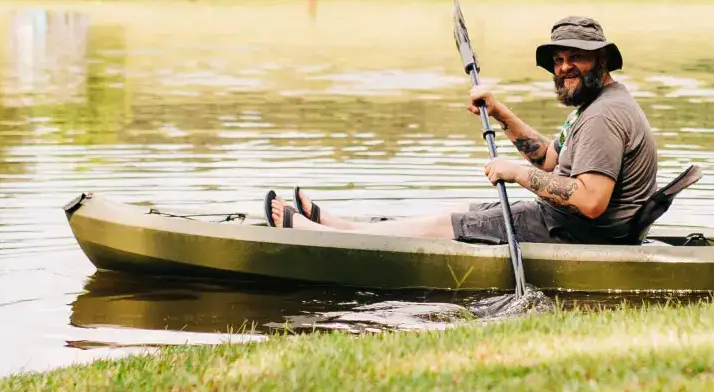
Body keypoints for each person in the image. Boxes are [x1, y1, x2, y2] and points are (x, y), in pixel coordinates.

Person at [265, 15, 658, 243]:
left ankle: (332, 239)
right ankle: (339, 227)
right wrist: (500, 113)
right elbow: (551, 160)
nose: (564, 67)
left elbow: (591, 201)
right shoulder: (596, 104)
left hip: (578, 233)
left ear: (602, 60)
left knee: (448, 225)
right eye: (558, 59)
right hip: (564, 220)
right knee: (461, 211)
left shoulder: (604, 116)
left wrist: (516, 173)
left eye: (576, 58)